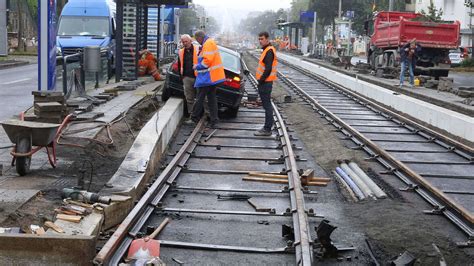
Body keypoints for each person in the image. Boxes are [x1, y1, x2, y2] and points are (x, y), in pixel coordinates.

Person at [191, 30, 225, 128]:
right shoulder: (209, 42)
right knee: (211, 99)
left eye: (197, 40)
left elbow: (207, 61)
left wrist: (196, 66)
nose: (197, 42)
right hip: (211, 77)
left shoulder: (207, 44)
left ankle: (194, 117)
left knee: (200, 98)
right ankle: (214, 120)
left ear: (199, 38)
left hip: (207, 78)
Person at [254, 31, 278, 136]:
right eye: (259, 39)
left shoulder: (269, 51)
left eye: (262, 39)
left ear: (267, 39)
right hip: (266, 82)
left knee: (267, 105)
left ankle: (267, 129)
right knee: (267, 105)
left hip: (266, 83)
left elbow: (268, 69)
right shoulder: (267, 50)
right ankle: (268, 126)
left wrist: (261, 80)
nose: (260, 41)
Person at [178, 34, 199, 121]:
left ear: (190, 41)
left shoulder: (198, 49)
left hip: (198, 77)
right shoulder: (181, 51)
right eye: (183, 42)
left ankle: (203, 115)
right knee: (189, 98)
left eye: (186, 41)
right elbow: (180, 65)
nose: (185, 43)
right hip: (187, 77)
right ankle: (192, 115)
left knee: (201, 97)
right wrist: (181, 76)